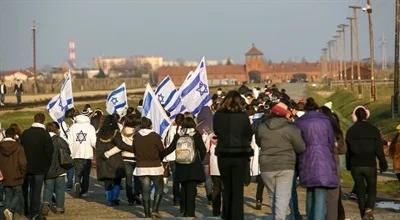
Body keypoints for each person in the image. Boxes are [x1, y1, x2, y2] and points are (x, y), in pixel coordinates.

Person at [256, 102, 305, 220]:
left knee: (273, 197)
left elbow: (258, 143)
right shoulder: (291, 128)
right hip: (285, 165)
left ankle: (276, 217)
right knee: (282, 198)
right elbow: (301, 147)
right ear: (285, 114)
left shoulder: (262, 127)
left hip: (266, 165)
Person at [295, 98, 338, 220]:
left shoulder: (299, 122)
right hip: (323, 159)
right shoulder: (325, 121)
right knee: (320, 196)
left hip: (307, 159)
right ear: (317, 108)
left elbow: (298, 143)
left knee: (310, 193)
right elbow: (330, 141)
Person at [213, 90, 254, 220]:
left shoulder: (218, 115)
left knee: (226, 187)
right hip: (240, 154)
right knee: (237, 189)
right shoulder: (243, 116)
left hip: (224, 154)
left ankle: (227, 215)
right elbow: (248, 133)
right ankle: (237, 216)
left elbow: (217, 131)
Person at [346, 106, 388, 220]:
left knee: (360, 191)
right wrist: (383, 163)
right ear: (366, 116)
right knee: (372, 188)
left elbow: (348, 151)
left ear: (355, 116)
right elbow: (379, 149)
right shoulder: (373, 130)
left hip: (356, 165)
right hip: (370, 164)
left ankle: (363, 215)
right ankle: (369, 209)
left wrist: (348, 165)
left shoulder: (351, 131)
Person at [163, 117, 207, 217]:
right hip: (193, 166)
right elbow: (203, 150)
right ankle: (190, 212)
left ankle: (183, 209)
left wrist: (160, 154)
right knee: (191, 190)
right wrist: (199, 160)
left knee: (183, 188)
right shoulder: (196, 135)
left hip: (180, 165)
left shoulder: (178, 135)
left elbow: (170, 148)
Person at [20, 113, 54, 219]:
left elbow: (21, 150)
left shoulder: (25, 133)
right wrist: (46, 166)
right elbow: (50, 152)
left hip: (27, 167)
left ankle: (26, 210)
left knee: (27, 190)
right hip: (40, 168)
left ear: (34, 119)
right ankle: (34, 213)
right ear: (43, 121)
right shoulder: (45, 134)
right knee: (36, 191)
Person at [133, 117, 165, 218]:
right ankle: (155, 209)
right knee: (159, 188)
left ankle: (147, 213)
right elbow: (161, 150)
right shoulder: (155, 136)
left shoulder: (136, 136)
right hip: (155, 166)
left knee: (145, 191)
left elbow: (134, 150)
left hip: (141, 166)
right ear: (150, 125)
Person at [320, 105, 347, 220]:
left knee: (318, 200)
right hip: (333, 169)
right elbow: (343, 150)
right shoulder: (336, 132)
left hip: (317, 167)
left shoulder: (315, 130)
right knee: (332, 202)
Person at [96, 115, 128, 206]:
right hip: (115, 160)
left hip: (104, 160)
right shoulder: (116, 133)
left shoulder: (99, 134)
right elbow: (120, 145)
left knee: (107, 181)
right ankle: (115, 198)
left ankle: (109, 200)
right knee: (117, 180)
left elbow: (97, 147)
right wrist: (131, 148)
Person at [42, 122, 70, 215]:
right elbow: (68, 150)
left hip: (47, 169)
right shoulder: (60, 140)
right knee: (60, 189)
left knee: (48, 188)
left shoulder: (43, 140)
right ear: (56, 130)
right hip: (60, 168)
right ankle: (59, 208)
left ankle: (46, 203)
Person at [0, 128, 27, 220]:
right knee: (18, 194)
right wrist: (23, 173)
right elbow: (22, 162)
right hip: (17, 175)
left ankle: (7, 214)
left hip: (4, 175)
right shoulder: (18, 146)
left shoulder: (0, 146)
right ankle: (10, 210)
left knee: (8, 196)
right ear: (14, 135)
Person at [68, 113, 97, 198]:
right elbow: (93, 142)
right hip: (87, 154)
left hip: (76, 154)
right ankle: (84, 189)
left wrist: (70, 152)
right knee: (86, 174)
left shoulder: (72, 127)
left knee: (77, 173)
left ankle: (77, 183)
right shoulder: (91, 127)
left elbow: (70, 142)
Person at [163, 113, 185, 206]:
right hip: (182, 156)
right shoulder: (183, 131)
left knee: (176, 179)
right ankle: (181, 197)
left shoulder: (169, 129)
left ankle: (176, 198)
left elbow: (166, 141)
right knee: (182, 178)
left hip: (171, 156)